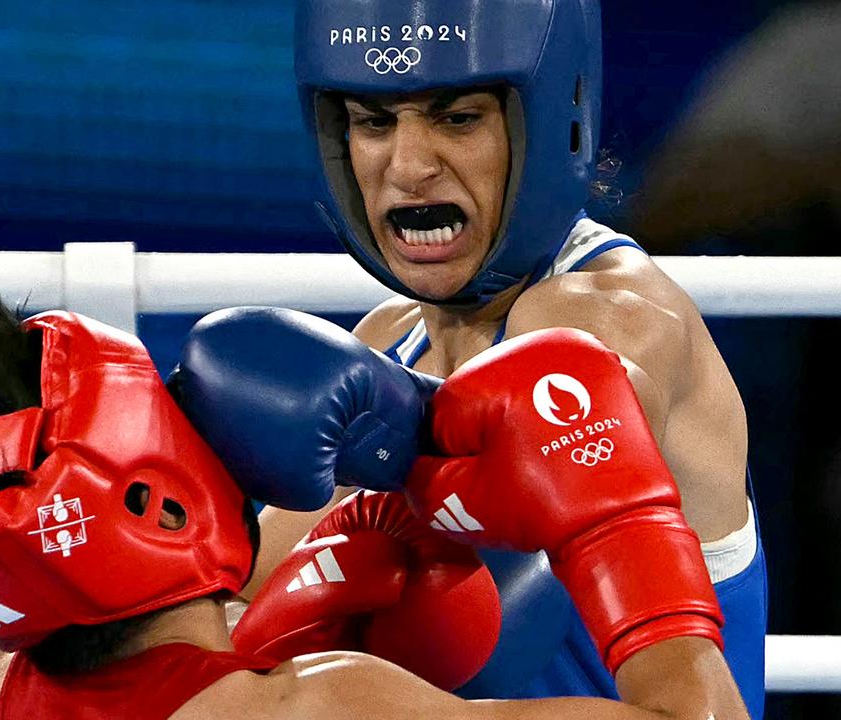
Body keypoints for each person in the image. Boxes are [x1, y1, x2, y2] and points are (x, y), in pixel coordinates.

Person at [0, 277, 747, 719]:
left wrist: (272, 624)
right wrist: (616, 517)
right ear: (158, 505)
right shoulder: (324, 706)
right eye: (162, 407)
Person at [232, 0, 767, 715]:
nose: (410, 165)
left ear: (548, 125)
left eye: (459, 119)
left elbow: (581, 410)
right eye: (373, 122)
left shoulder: (611, 314)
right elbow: (237, 604)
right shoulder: (384, 343)